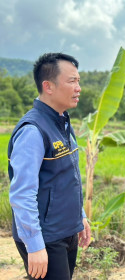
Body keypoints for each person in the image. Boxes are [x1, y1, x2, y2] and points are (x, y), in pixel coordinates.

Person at [8, 53, 91, 280]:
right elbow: (22, 194)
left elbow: (67, 178)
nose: (78, 88)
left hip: (66, 230)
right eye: (72, 81)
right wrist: (34, 245)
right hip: (46, 236)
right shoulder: (33, 131)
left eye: (79, 81)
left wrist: (79, 216)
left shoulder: (63, 122)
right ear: (48, 86)